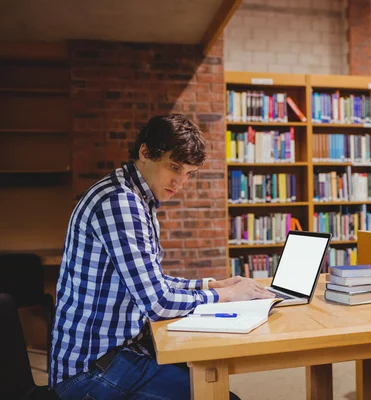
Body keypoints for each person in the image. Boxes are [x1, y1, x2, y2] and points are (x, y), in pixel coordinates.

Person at [49, 114, 274, 399]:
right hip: (91, 372)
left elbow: (150, 281)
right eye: (174, 167)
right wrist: (226, 297)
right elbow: (158, 303)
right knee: (218, 395)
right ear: (145, 153)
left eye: (188, 174)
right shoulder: (120, 203)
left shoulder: (134, 197)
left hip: (114, 356)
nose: (180, 182)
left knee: (205, 376)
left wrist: (211, 286)